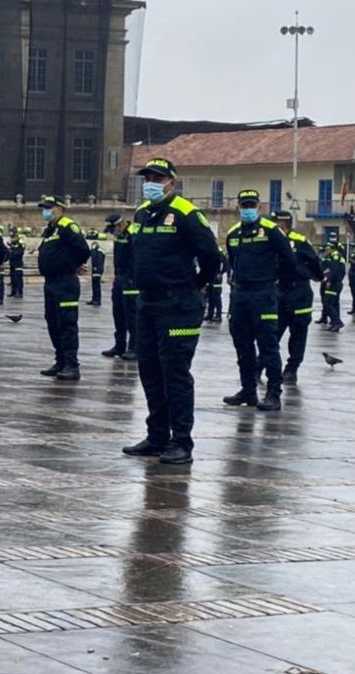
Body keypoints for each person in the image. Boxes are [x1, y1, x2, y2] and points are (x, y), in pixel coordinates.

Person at [121, 158, 221, 465]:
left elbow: (212, 257)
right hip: (148, 303)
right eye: (147, 178)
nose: (150, 183)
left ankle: (181, 441)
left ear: (171, 183)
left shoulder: (186, 213)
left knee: (174, 373)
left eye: (157, 178)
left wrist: (195, 286)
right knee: (149, 371)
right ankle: (157, 436)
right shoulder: (142, 213)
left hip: (178, 304)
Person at [223, 190, 297, 412]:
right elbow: (232, 261)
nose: (248, 209)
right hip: (240, 295)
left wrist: (280, 287)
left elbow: (289, 260)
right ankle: (248, 390)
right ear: (238, 207)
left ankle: (273, 394)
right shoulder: (233, 234)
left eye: (252, 205)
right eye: (244, 205)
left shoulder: (271, 231)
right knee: (242, 345)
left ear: (259, 207)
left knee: (268, 346)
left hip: (264, 294)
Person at [37, 195, 90, 380]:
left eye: (49, 208)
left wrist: (72, 264)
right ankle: (60, 361)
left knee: (67, 323)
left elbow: (83, 249)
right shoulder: (50, 230)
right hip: (51, 282)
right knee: (53, 322)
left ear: (60, 208)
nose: (46, 211)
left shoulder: (67, 226)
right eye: (44, 208)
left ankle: (72, 365)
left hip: (65, 282)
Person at [272, 211, 324, 382]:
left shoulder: (299, 241)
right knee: (271, 333)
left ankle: (292, 368)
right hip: (278, 291)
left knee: (298, 333)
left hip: (299, 292)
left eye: (276, 223)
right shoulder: (269, 240)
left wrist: (317, 276)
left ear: (283, 224)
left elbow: (314, 262)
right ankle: (262, 366)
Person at [102, 213, 138, 360]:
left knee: (131, 316)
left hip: (131, 280)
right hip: (120, 278)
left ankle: (134, 347)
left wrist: (132, 278)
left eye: (113, 230)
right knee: (118, 314)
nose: (112, 233)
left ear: (120, 225)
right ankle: (119, 345)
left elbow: (137, 258)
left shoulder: (133, 234)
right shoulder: (120, 235)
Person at [321, 246, 346, 333]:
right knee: (334, 304)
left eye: (327, 249)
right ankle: (334, 323)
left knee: (327, 303)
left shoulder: (335, 256)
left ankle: (337, 322)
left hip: (334, 283)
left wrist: (329, 281)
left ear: (332, 249)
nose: (326, 250)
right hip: (336, 283)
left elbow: (334, 270)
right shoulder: (334, 256)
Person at [204, 250, 226, 323]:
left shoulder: (219, 252)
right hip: (209, 277)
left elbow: (225, 264)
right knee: (210, 297)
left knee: (216, 297)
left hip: (216, 278)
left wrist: (220, 273)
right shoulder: (208, 251)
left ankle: (218, 315)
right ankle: (210, 314)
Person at [7, 228, 26, 298]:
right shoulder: (13, 242)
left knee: (18, 278)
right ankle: (13, 292)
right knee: (13, 278)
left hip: (18, 262)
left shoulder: (21, 242)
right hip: (12, 262)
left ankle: (19, 292)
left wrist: (13, 251)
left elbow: (20, 252)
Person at [86, 238, 105, 306]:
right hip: (97, 269)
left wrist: (96, 267)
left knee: (96, 286)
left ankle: (97, 300)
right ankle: (94, 299)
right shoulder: (100, 250)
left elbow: (96, 259)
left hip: (97, 269)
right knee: (94, 285)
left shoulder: (98, 251)